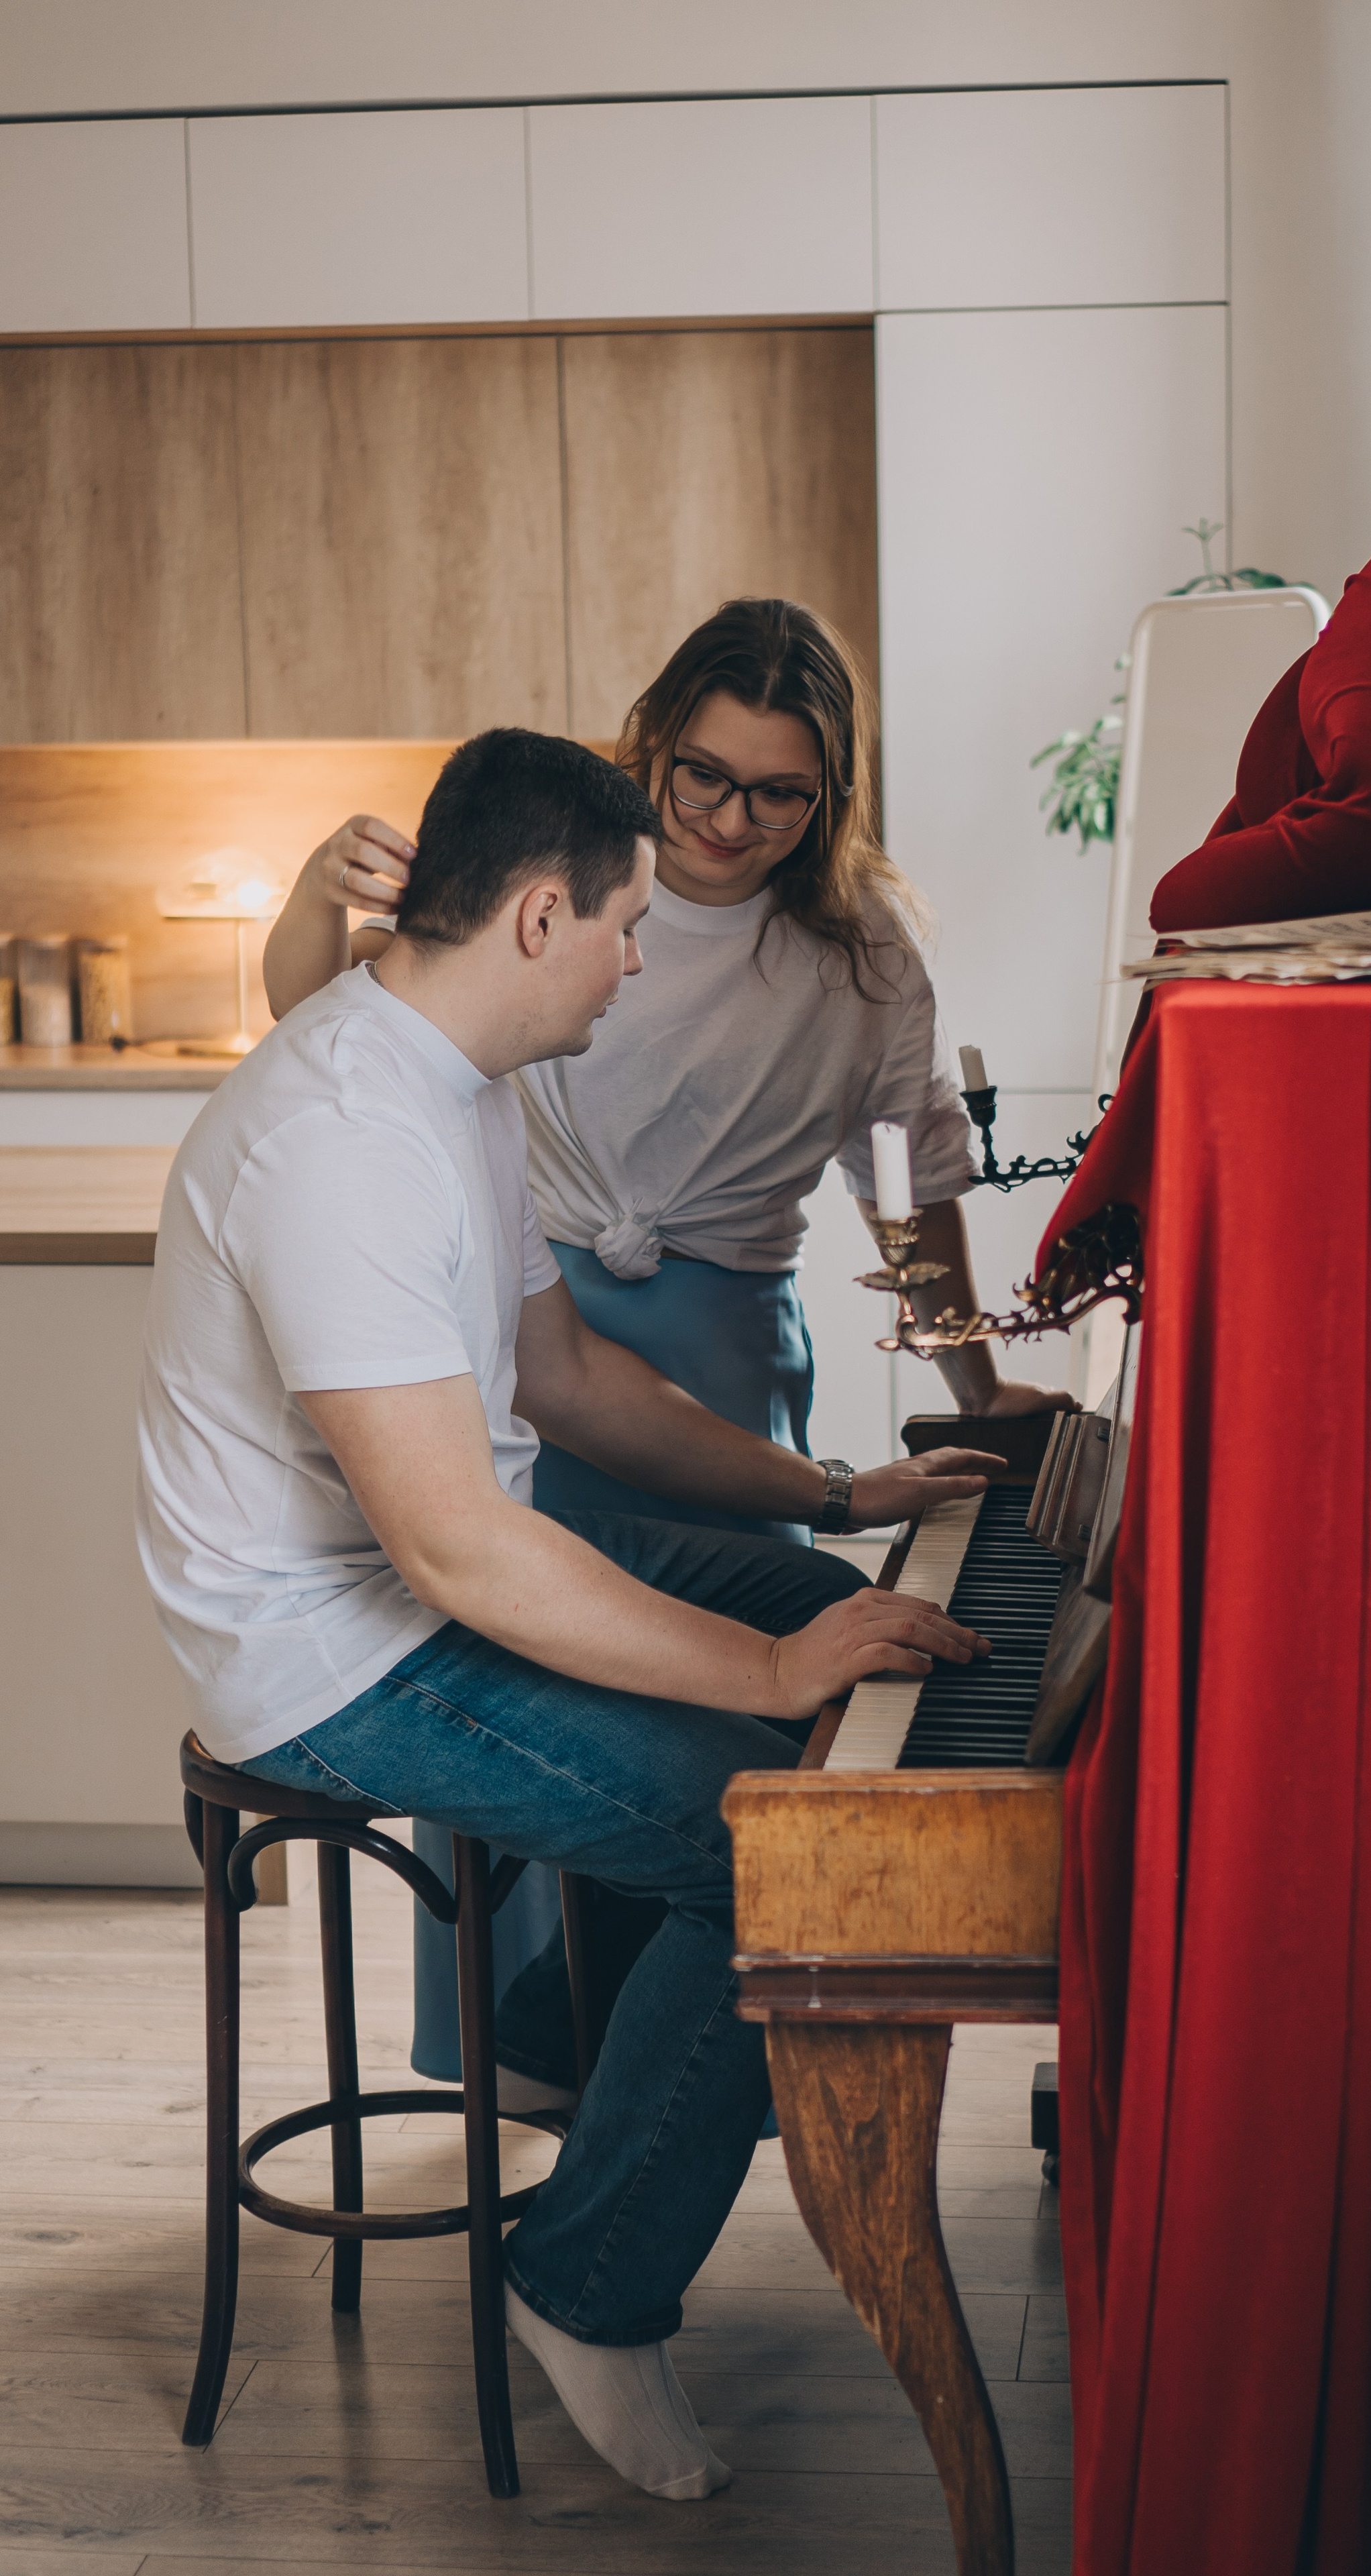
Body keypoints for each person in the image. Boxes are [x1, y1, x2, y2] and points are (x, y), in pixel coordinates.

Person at [139, 729, 998, 2502]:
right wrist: (763, 1669)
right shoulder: (342, 1141)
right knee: (778, 1851)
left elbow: (571, 1379)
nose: (638, 953)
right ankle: (589, 2280)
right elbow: (456, 1557)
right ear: (542, 918)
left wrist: (833, 1506)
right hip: (321, 1652)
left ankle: (632, 2091)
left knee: (852, 1638)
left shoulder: (456, 1083)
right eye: (624, 924)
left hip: (441, 1566)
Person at [262, 597, 1071, 2090]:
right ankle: (528, 2051)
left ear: (830, 794)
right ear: (653, 745)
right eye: (702, 776)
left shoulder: (861, 953)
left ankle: (666, 2055)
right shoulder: (563, 880)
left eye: (779, 793)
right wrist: (318, 890)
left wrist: (970, 1380)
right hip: (530, 1328)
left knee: (734, 1701)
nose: (729, 821)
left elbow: (907, 1190)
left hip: (715, 1354)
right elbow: (339, 1023)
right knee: (545, 1684)